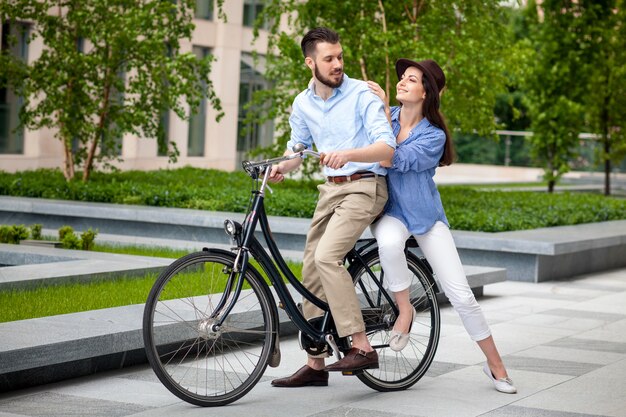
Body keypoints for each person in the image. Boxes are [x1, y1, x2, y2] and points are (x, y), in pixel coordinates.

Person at [367, 58, 517, 394]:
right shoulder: (386, 116)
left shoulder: (432, 136)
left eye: (411, 80)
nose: (402, 83)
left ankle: (496, 366)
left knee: (462, 296)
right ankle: (404, 310)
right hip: (391, 212)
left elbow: (392, 159)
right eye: (402, 78)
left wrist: (377, 113)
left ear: (425, 93)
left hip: (426, 217)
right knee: (389, 244)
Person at [268, 27, 397, 388]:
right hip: (330, 191)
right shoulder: (302, 102)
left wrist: (348, 155)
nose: (338, 64)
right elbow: (297, 149)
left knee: (327, 257)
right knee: (311, 270)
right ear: (311, 62)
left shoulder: (361, 94)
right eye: (329, 59)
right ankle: (315, 364)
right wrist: (281, 166)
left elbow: (387, 149)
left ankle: (361, 345)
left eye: (339, 57)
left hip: (364, 187)